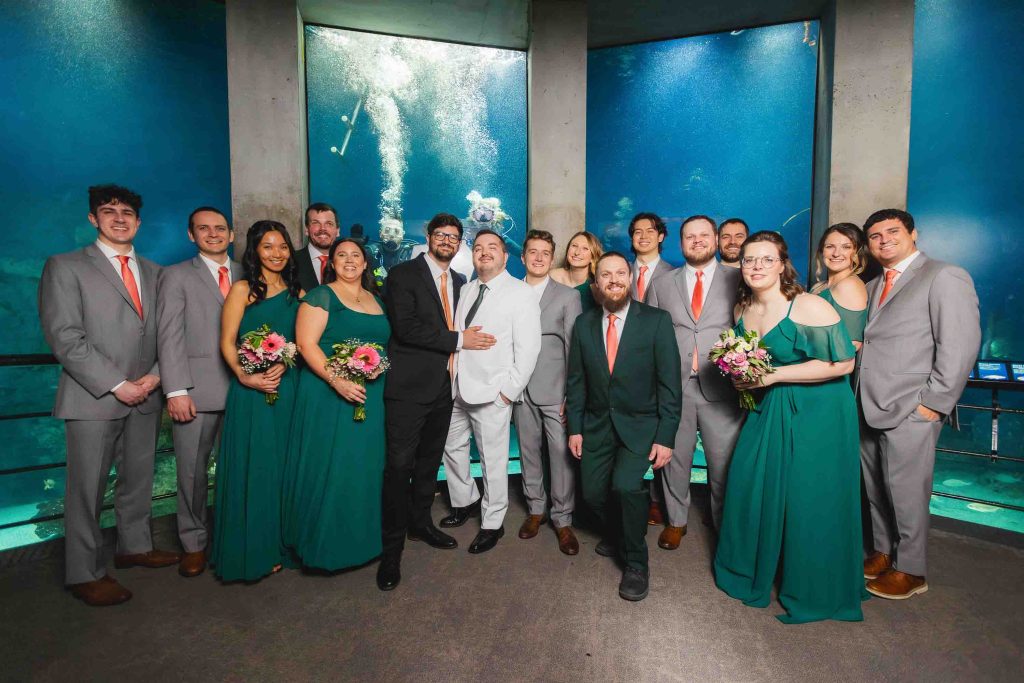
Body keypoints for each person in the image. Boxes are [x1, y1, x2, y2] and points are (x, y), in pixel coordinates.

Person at [38, 184, 179, 606]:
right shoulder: (65, 267)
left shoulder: (157, 273)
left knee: (138, 477)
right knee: (86, 489)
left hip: (148, 393)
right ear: (93, 218)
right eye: (108, 211)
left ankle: (134, 547)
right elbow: (65, 337)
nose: (119, 218)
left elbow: (171, 335)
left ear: (139, 221)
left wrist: (154, 378)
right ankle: (83, 572)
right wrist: (119, 384)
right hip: (93, 396)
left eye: (127, 213)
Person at [714, 231, 864, 624]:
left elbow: (844, 363)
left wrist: (773, 375)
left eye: (767, 259)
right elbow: (752, 364)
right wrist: (743, 377)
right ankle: (754, 567)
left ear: (783, 265)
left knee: (809, 497)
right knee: (749, 481)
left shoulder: (808, 305)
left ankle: (815, 586)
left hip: (821, 411)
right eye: (749, 259)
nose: (757, 266)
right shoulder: (743, 308)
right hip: (770, 406)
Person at [857, 209, 980, 600]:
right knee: (876, 487)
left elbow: (959, 345)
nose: (884, 240)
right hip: (868, 403)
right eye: (875, 236)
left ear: (914, 233)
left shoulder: (944, 276)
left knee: (907, 491)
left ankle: (911, 570)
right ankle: (883, 552)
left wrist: (934, 403)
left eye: (892, 231)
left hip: (912, 406)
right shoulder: (873, 284)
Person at [377, 214, 495, 591]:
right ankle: (391, 552)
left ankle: (421, 524)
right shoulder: (402, 275)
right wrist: (460, 340)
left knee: (429, 464)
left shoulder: (460, 281)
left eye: (453, 237)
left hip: (445, 387)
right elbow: (406, 328)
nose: (446, 241)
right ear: (428, 237)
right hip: (408, 388)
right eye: (441, 235)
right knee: (399, 467)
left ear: (459, 243)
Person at [567, 252, 682, 601]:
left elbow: (670, 385)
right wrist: (575, 428)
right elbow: (576, 381)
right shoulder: (583, 323)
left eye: (620, 273)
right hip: (597, 425)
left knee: (626, 488)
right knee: (591, 494)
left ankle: (635, 562)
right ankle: (621, 531)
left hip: (641, 426)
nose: (614, 280)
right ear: (596, 282)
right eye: (606, 274)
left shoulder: (657, 321)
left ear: (630, 279)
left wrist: (666, 436)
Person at [282, 238, 391, 571]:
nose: (349, 260)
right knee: (332, 465)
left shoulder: (375, 299)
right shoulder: (321, 296)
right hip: (329, 395)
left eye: (356, 255)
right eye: (341, 255)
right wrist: (337, 381)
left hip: (370, 395)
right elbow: (306, 344)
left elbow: (382, 344)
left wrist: (377, 367)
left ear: (365, 263)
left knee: (363, 466)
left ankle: (362, 542)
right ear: (331, 263)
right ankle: (326, 546)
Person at [211, 221, 302, 582]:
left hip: (289, 387)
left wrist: (287, 358)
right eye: (268, 247)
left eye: (282, 246)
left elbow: (303, 340)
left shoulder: (298, 292)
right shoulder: (243, 290)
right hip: (252, 391)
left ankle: (282, 542)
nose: (277, 254)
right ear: (255, 251)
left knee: (285, 467)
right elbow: (226, 341)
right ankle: (255, 550)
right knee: (257, 467)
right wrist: (244, 376)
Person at [441, 230, 542, 554]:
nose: (484, 252)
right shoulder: (467, 289)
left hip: (493, 392)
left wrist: (507, 393)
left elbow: (529, 349)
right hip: (459, 387)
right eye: (479, 248)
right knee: (451, 448)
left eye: (492, 247)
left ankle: (492, 523)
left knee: (493, 461)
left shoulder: (521, 293)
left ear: (505, 256)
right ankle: (465, 500)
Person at [648, 215, 743, 548]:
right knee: (675, 458)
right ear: (681, 242)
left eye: (704, 235)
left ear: (715, 240)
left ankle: (724, 525)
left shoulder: (739, 278)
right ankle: (676, 520)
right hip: (676, 388)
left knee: (724, 462)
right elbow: (651, 336)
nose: (697, 240)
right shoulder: (662, 284)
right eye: (690, 236)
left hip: (723, 387)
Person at [156, 206, 242, 578]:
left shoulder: (248, 273)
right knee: (192, 473)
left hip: (245, 390)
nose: (213, 234)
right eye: (203, 229)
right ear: (191, 235)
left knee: (239, 470)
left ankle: (234, 538)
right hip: (196, 392)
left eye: (220, 228)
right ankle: (193, 543)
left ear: (232, 234)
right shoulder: (175, 276)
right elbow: (168, 335)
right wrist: (175, 390)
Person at [514, 230, 583, 555]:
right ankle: (535, 509)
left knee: (560, 453)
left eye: (545, 252)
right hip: (518, 389)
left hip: (555, 390)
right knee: (528, 451)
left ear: (551, 258)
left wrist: (573, 394)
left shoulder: (567, 296)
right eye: (533, 252)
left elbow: (574, 348)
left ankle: (563, 518)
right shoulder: (510, 293)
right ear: (523, 257)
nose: (539, 258)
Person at [810, 223, 869, 348]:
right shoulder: (818, 286)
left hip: (824, 360)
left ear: (857, 252)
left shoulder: (849, 285)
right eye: (830, 246)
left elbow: (852, 345)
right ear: (822, 250)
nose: (836, 253)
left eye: (846, 247)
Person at [628, 212, 675, 303]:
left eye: (650, 231)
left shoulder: (673, 274)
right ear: (632, 238)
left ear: (660, 237)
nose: (643, 236)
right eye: (638, 232)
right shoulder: (622, 272)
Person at [550, 231, 602, 312]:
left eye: (585, 248)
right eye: (574, 246)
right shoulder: (552, 276)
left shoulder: (596, 287)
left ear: (593, 257)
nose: (577, 252)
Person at [295, 203, 340, 292]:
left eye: (329, 223)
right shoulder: (291, 261)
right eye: (316, 223)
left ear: (337, 231)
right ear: (306, 229)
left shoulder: (349, 264)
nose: (322, 229)